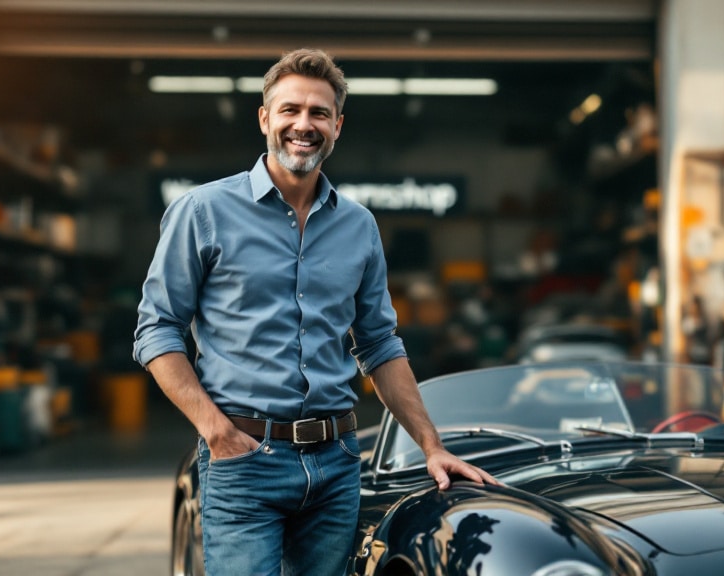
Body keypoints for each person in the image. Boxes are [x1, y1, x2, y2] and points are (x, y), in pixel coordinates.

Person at [133, 47, 497, 576]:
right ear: (264, 118)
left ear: (337, 126)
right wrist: (216, 433)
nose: (304, 125)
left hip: (335, 466)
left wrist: (431, 445)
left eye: (319, 113)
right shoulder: (203, 212)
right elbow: (156, 329)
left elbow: (378, 344)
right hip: (244, 462)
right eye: (290, 110)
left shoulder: (358, 227)